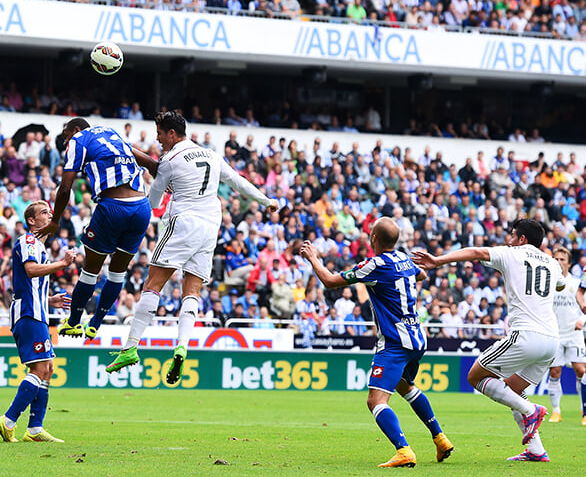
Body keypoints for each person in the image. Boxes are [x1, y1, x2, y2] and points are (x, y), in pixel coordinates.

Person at [106, 110, 277, 384]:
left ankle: (130, 347)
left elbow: (153, 201)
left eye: (160, 134)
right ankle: (182, 345)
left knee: (153, 284)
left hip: (184, 221)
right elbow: (237, 182)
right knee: (192, 291)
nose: (158, 139)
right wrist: (266, 200)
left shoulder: (169, 160)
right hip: (211, 226)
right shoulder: (211, 154)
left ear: (172, 133)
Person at [301, 217, 453, 468]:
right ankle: (440, 438)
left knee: (375, 401)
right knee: (405, 386)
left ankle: (403, 450)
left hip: (395, 341)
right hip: (417, 337)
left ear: (373, 238)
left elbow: (329, 281)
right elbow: (422, 274)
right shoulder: (404, 258)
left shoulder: (374, 266)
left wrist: (313, 258)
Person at [413, 219, 559, 462]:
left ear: (522, 239)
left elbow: (475, 251)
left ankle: (532, 411)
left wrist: (438, 261)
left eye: (512, 236)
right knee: (512, 390)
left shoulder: (512, 253)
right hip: (551, 341)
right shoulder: (552, 263)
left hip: (526, 335)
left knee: (475, 376)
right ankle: (536, 450)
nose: (509, 240)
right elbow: (562, 284)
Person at [37, 118, 151, 340]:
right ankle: (96, 323)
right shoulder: (111, 133)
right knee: (118, 271)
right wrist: (158, 171)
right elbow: (144, 158)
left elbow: (65, 188)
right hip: (142, 208)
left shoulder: (79, 139)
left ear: (76, 130)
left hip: (113, 208)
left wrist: (55, 220)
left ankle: (73, 322)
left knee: (91, 270)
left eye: (66, 136)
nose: (66, 141)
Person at [0, 200, 76, 444]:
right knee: (40, 369)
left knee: (47, 368)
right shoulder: (28, 241)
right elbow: (30, 270)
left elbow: (29, 284)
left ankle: (35, 428)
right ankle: (8, 421)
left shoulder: (39, 246)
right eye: (43, 213)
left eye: (50, 211)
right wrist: (62, 263)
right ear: (32, 220)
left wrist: (50, 300)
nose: (49, 215)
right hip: (29, 314)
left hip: (37, 312)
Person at [548, 246, 586, 424]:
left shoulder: (577, 283)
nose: (559, 262)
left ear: (569, 263)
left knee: (581, 370)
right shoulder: (547, 284)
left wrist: (582, 320)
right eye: (556, 259)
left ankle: (583, 409)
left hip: (574, 333)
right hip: (554, 334)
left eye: (562, 259)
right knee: (555, 371)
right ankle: (556, 411)